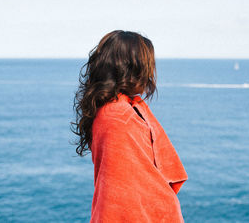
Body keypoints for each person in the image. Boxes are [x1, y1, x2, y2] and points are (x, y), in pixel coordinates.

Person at [70, 30, 188, 222]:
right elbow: (126, 197)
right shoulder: (118, 116)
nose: (149, 74)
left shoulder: (110, 109)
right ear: (131, 70)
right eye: (146, 66)